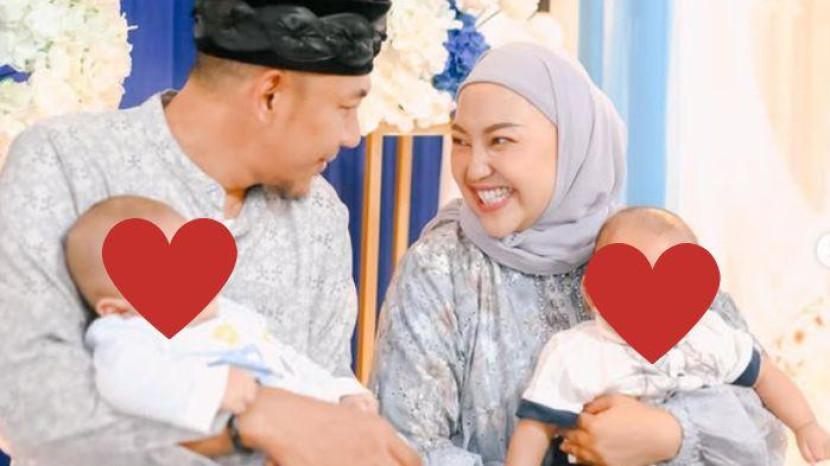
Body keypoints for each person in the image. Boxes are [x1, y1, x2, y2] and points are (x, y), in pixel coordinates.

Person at [0, 1, 420, 465]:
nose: (352, 136)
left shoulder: (320, 214)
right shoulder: (67, 160)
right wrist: (249, 423)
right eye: (346, 108)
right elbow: (30, 409)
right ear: (270, 96)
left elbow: (320, 391)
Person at [372, 43, 786, 465]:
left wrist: (671, 434)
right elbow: (403, 450)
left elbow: (765, 427)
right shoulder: (441, 267)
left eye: (500, 140)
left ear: (573, 141)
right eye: (460, 141)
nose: (474, 168)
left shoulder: (641, 248)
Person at [506, 207, 830, 466]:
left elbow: (766, 376)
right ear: (593, 292)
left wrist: (805, 425)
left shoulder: (709, 335)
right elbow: (535, 427)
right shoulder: (578, 352)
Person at [65, 195, 377, 435]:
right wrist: (213, 389)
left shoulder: (231, 315)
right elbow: (121, 380)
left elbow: (287, 360)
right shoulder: (128, 332)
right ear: (116, 308)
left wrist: (338, 393)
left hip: (304, 424)